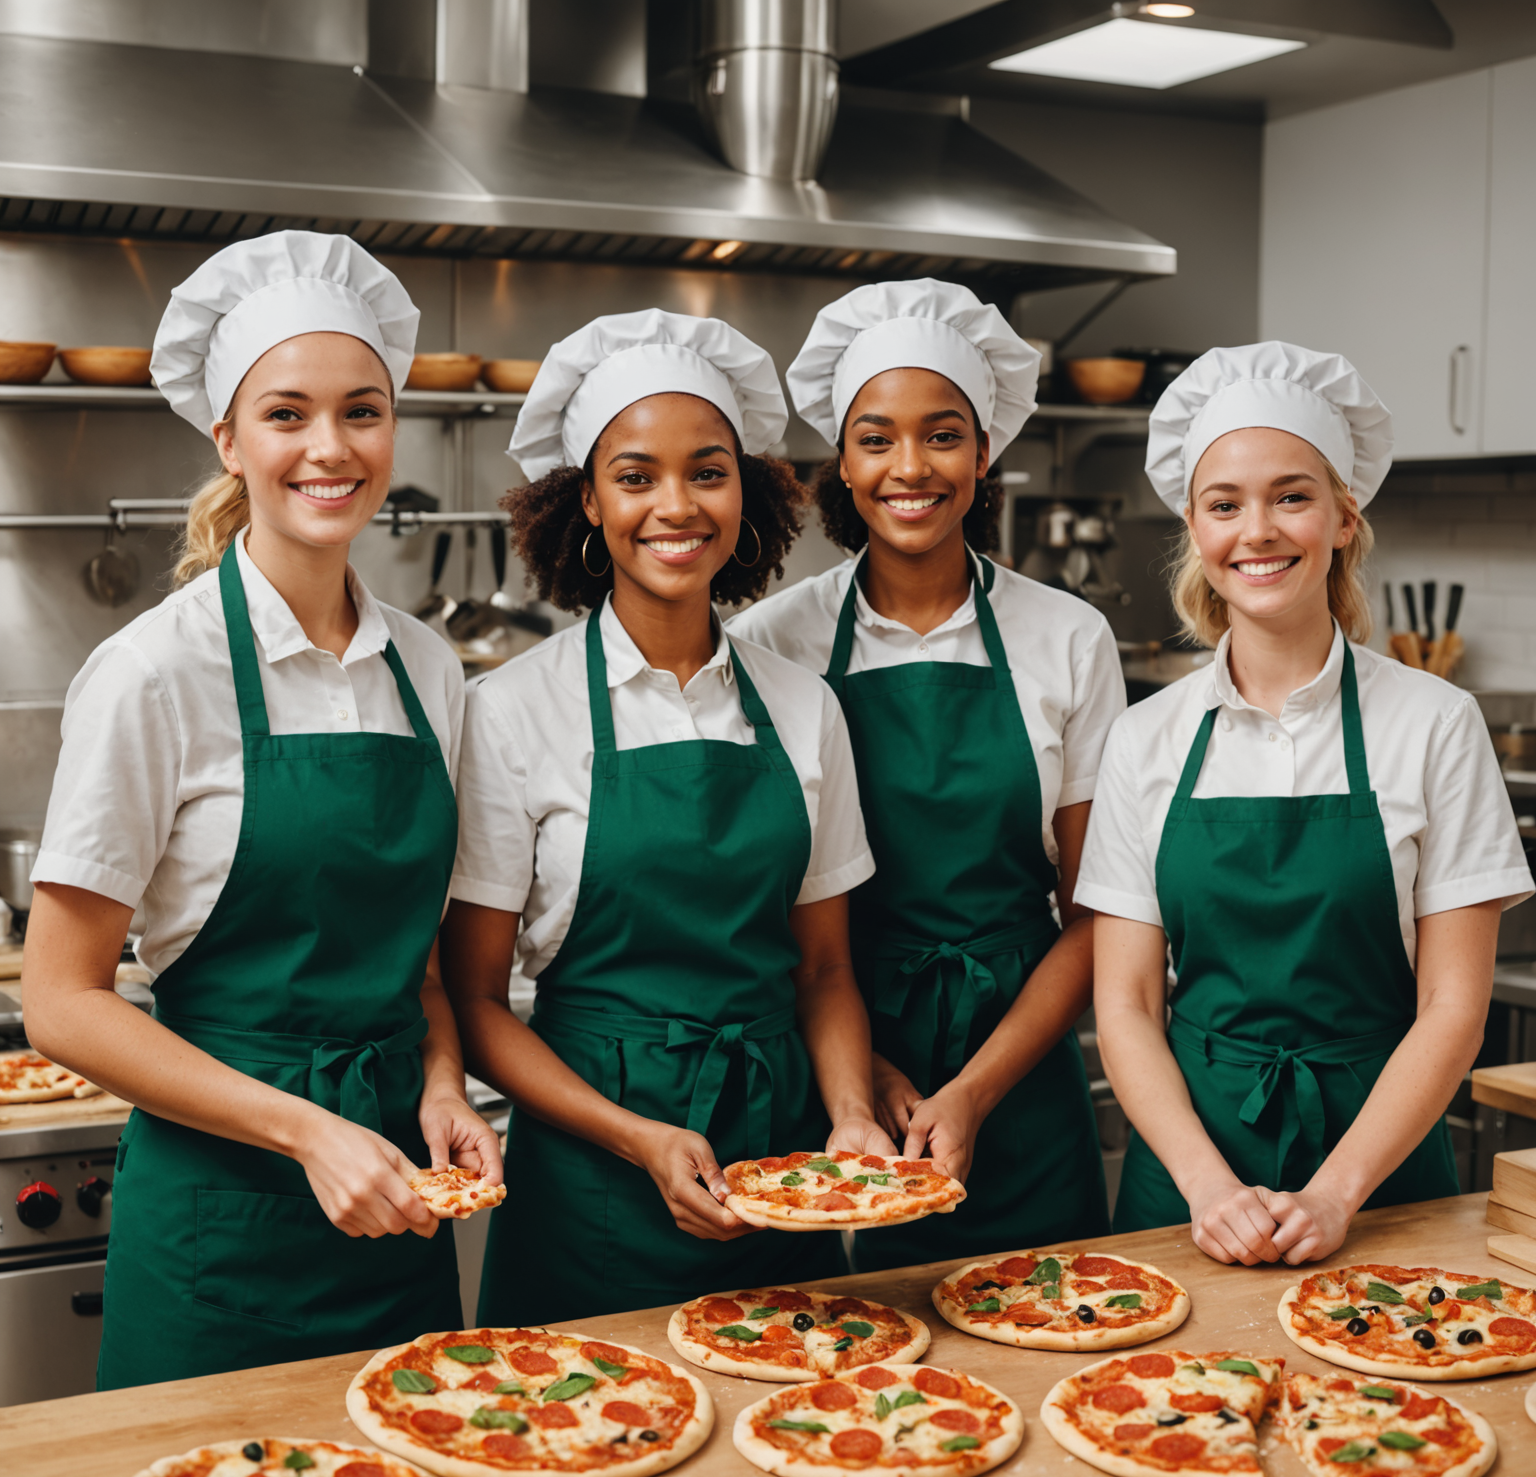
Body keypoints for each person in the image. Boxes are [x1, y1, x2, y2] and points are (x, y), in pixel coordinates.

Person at [23, 231, 499, 1388]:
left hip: (394, 1214)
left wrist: (442, 1082)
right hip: (216, 1233)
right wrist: (305, 1130)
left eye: (363, 411)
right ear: (228, 438)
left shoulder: (430, 671)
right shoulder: (154, 674)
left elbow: (420, 961)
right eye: (286, 415)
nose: (329, 448)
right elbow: (61, 1003)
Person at [443, 309, 891, 1325]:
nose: (675, 506)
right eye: (636, 477)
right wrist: (635, 1137)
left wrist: (853, 1118)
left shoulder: (802, 705)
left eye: (708, 471)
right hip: (590, 1171)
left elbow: (822, 970)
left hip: (787, 1163)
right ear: (588, 503)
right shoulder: (511, 711)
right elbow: (473, 1004)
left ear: (749, 494)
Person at [1080, 341, 1533, 1265]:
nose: (1259, 530)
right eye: (1225, 505)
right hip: (1187, 1178)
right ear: (1195, 530)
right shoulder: (1146, 736)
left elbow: (1454, 1007)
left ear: (1343, 516)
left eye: (1291, 495)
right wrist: (1209, 1188)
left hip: (1381, 1173)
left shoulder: (1437, 723)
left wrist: (1336, 1193)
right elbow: (1125, 1004)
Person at [728, 280, 1123, 1270]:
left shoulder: (1068, 638)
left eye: (943, 435)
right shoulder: (773, 639)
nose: (911, 466)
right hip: (833, 1081)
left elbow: (1095, 915)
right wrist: (866, 1075)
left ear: (985, 454)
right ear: (844, 464)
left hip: (1021, 1069)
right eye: (876, 438)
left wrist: (976, 1092)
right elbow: (757, 907)